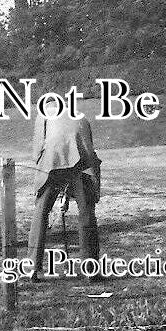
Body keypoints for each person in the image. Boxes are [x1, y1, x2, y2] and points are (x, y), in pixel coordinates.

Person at [27, 101, 102, 281]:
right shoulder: (81, 117)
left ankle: (31, 268)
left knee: (41, 211)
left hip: (52, 161)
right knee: (86, 214)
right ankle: (90, 270)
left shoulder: (43, 115)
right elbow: (89, 151)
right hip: (82, 163)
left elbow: (38, 149)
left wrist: (42, 179)